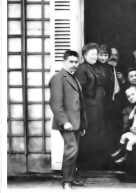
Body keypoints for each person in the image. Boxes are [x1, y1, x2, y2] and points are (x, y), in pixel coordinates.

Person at [49, 50, 87, 189]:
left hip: (75, 122)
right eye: (71, 62)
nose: (74, 65)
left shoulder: (73, 77)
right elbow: (55, 103)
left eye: (76, 62)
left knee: (73, 150)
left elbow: (79, 104)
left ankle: (71, 177)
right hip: (66, 122)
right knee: (71, 149)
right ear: (64, 61)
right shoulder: (58, 77)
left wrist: (82, 124)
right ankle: (66, 182)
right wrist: (64, 122)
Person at [74, 43, 109, 169]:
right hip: (90, 104)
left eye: (96, 54)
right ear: (84, 56)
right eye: (92, 54)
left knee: (100, 130)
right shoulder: (82, 68)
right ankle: (87, 164)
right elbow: (80, 89)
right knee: (91, 131)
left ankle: (98, 163)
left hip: (100, 102)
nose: (95, 56)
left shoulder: (98, 67)